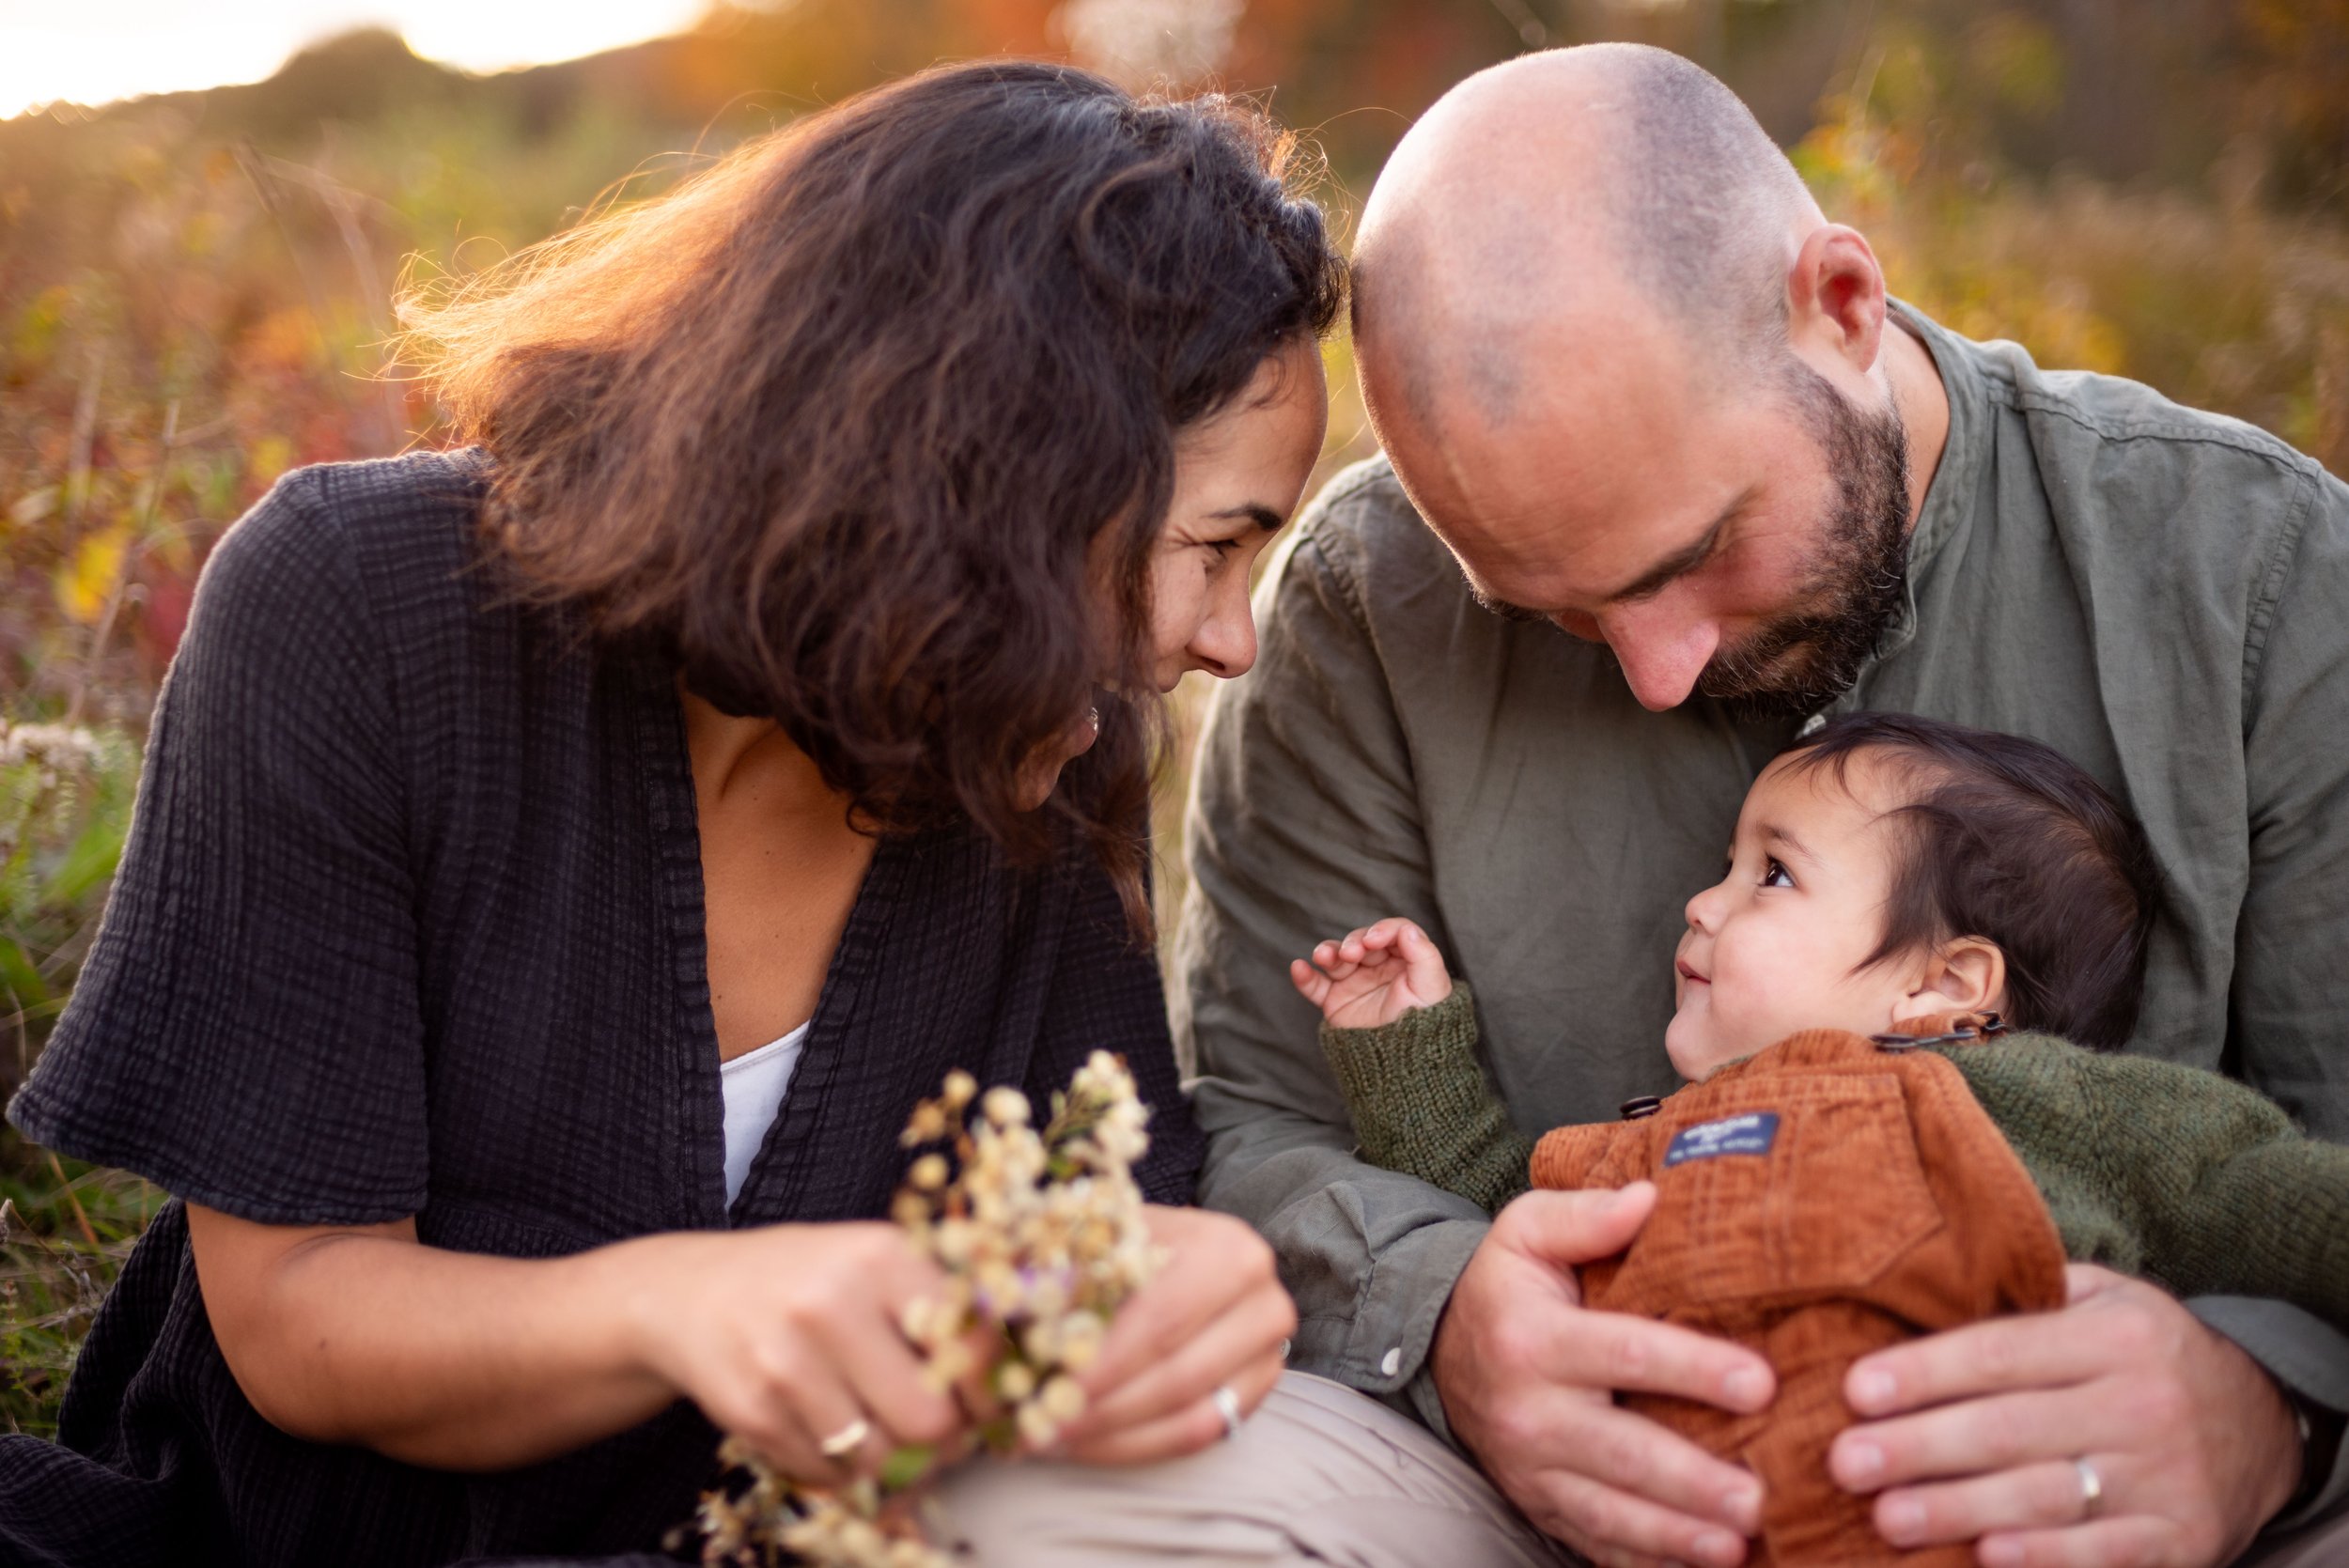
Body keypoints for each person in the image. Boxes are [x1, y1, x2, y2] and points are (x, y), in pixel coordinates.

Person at [0, 60, 1343, 1568]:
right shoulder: (356, 608)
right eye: (1216, 545)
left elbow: (1087, 1245)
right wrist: (690, 1307)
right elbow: (298, 1316)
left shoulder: (1047, 752)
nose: (1230, 638)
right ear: (1013, 478)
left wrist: (1166, 1293)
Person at [1174, 40, 2349, 1568]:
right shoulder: (1362, 603)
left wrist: (2269, 1408)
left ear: (1841, 308)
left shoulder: (2259, 580)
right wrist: (1448, 1315)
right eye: (1556, 612)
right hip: (1518, 1482)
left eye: (1690, 552)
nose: (1656, 672)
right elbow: (1252, 1121)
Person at [1297, 712, 2349, 1563]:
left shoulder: (2053, 1104)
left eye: (1773, 875)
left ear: (1944, 985)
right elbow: (1503, 1220)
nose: (1702, 903)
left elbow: (2271, 1200)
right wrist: (1404, 1051)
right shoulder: (1668, 1134)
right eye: (1728, 865)